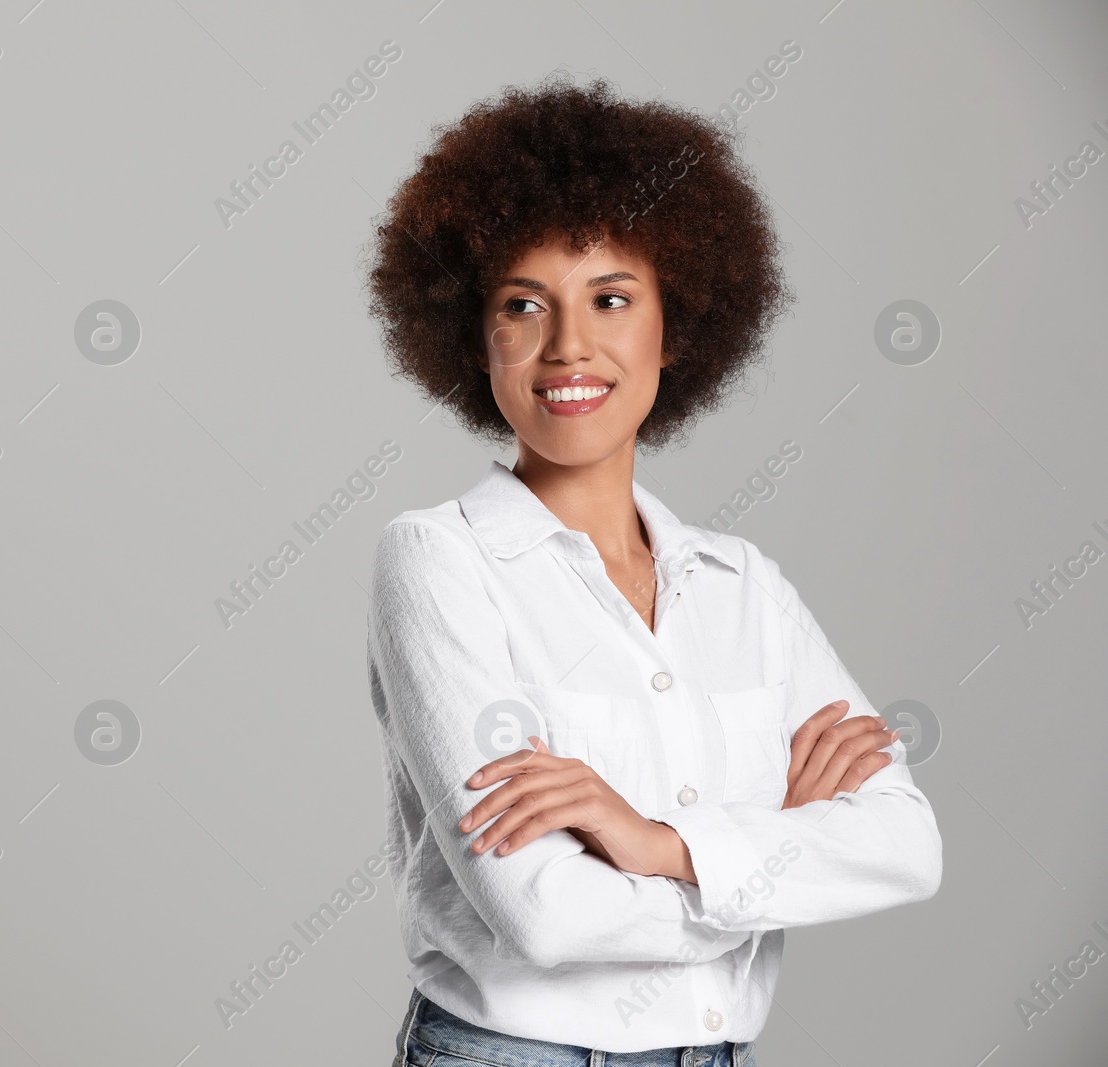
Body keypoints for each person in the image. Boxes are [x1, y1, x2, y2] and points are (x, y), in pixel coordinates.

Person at [362, 74, 942, 1066]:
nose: (569, 345)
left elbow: (905, 846)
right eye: (522, 304)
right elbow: (544, 914)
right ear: (477, 338)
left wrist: (657, 842)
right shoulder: (437, 561)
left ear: (676, 329)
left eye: (612, 298)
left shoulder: (743, 585)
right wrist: (770, 844)